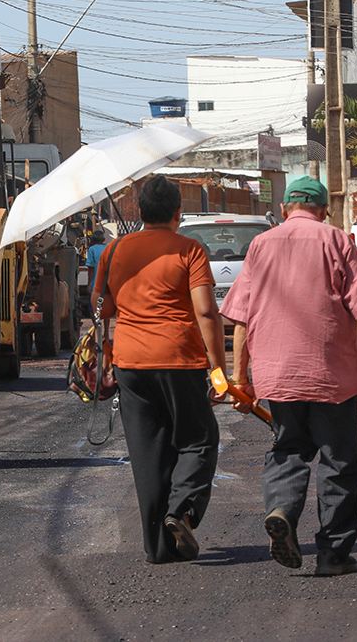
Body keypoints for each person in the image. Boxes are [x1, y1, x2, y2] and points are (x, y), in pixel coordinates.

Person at [219, 177, 357, 577]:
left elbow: (242, 319)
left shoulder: (260, 245)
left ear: (284, 209)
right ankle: (333, 554)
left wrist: (239, 378)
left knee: (288, 448)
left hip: (278, 374)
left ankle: (282, 509)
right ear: (324, 211)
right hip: (330, 374)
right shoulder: (337, 241)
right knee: (338, 461)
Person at [92, 176, 227, 564]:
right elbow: (206, 312)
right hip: (180, 359)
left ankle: (159, 548)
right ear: (177, 213)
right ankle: (181, 509)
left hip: (130, 362)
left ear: (139, 211)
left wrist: (106, 350)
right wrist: (219, 369)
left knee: (148, 453)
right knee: (199, 439)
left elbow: (102, 308)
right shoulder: (190, 250)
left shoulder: (113, 251)